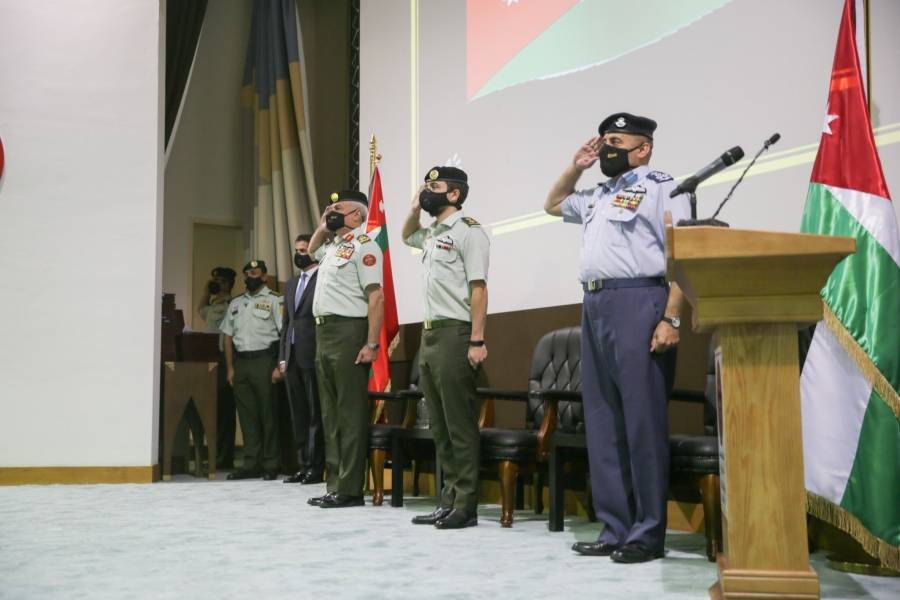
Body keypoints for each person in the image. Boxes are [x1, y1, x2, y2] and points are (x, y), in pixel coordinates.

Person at [544, 113, 689, 563]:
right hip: (595, 305)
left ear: (643, 148)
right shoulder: (597, 194)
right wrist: (576, 166)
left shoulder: (663, 185)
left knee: (642, 421)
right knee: (603, 420)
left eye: (616, 141)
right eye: (603, 140)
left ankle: (647, 532)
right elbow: (552, 203)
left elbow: (682, 254)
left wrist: (672, 319)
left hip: (640, 302)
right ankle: (615, 526)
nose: (606, 148)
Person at [402, 166, 490, 529]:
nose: (427, 192)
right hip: (430, 335)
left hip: (456, 333)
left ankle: (466, 504)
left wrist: (477, 339)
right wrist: (412, 207)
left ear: (454, 194)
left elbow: (479, 289)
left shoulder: (469, 232)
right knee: (439, 425)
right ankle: (448, 499)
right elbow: (407, 236)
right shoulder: (433, 233)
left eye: (434, 187)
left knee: (459, 425)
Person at [306, 190, 384, 508]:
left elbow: (375, 297)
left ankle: (351, 489)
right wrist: (324, 225)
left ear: (356, 215)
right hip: (324, 333)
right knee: (330, 413)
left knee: (349, 415)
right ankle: (335, 483)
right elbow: (310, 251)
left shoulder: (364, 246)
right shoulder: (333, 247)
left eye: (338, 208)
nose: (331, 211)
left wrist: (372, 343)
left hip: (349, 332)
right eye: (330, 207)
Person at [220, 260, 284, 481]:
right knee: (247, 416)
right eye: (247, 273)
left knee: (268, 414)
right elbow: (227, 337)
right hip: (242, 363)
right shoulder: (236, 303)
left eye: (255, 272)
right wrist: (230, 368)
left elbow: (284, 334)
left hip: (265, 360)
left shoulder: (274, 300)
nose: (250, 276)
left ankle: (271, 463)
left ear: (264, 276)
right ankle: (250, 463)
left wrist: (279, 365)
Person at [278, 234, 325, 484]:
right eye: (296, 249)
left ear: (314, 250)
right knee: (298, 413)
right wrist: (282, 356)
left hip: (313, 353)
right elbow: (286, 323)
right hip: (292, 355)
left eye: (304, 249)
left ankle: (316, 467)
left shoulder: (323, 277)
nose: (299, 254)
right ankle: (303, 463)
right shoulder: (291, 283)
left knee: (315, 412)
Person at [197, 267, 238, 469]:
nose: (216, 283)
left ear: (229, 283)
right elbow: (200, 309)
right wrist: (207, 291)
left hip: (226, 359)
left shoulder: (234, 305)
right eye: (214, 280)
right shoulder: (213, 306)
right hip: (210, 359)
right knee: (212, 409)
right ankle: (214, 456)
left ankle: (224, 458)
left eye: (220, 281)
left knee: (224, 411)